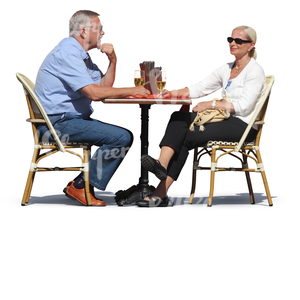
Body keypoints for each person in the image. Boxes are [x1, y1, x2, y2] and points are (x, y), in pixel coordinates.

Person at [136, 25, 265, 207]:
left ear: (251, 45)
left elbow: (244, 107)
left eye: (238, 41)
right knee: (179, 117)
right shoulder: (227, 68)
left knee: (185, 135)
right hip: (226, 119)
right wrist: (172, 92)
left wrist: (211, 104)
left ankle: (161, 192)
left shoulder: (254, 71)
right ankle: (161, 165)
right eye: (230, 40)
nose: (233, 43)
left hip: (243, 126)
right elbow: (200, 87)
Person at [35, 10, 150, 206]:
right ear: (84, 31)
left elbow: (104, 88)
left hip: (68, 121)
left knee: (123, 136)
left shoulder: (81, 56)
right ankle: (81, 186)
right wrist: (136, 90)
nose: (103, 33)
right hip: (56, 125)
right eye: (100, 28)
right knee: (121, 137)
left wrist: (113, 60)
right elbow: (95, 94)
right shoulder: (68, 53)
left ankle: (80, 183)